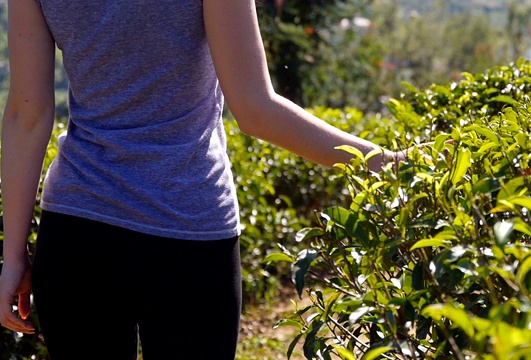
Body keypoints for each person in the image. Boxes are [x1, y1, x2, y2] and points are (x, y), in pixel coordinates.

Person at [0, 0, 408, 359]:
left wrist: (13, 255)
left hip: (78, 234)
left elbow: (26, 116)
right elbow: (255, 110)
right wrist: (385, 163)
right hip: (188, 231)